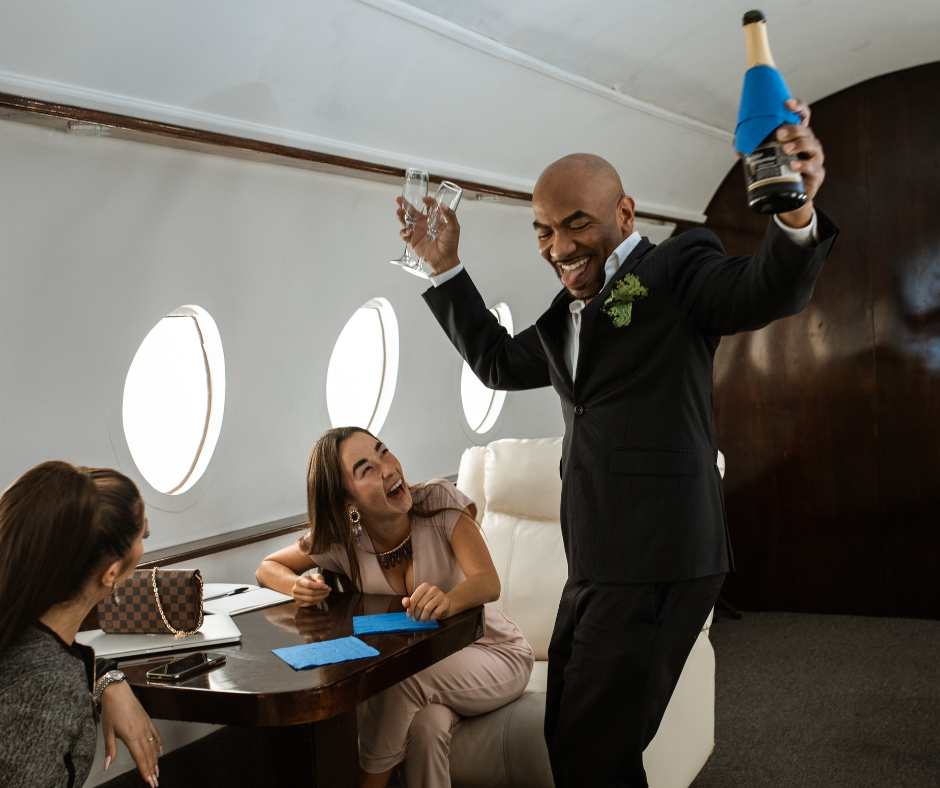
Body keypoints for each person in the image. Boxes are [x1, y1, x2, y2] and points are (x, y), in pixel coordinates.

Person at [397, 99, 838, 787]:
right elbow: (493, 363)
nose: (560, 248)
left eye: (577, 224)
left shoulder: (679, 269)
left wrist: (795, 216)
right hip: (595, 564)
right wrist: (445, 267)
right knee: (577, 743)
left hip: (661, 556)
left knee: (592, 750)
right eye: (542, 231)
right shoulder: (563, 314)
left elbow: (764, 287)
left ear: (625, 215)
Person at [257, 426, 534, 788]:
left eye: (383, 451)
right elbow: (266, 568)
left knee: (403, 675)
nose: (387, 468)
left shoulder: (438, 501)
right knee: (425, 728)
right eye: (365, 469)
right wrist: (297, 586)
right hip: (434, 671)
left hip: (494, 652)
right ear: (347, 503)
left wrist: (447, 601)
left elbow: (488, 583)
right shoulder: (344, 541)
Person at [0, 461, 163, 788]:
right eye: (142, 535)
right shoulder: (49, 690)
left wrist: (105, 678)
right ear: (112, 572)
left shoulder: (21, 632)